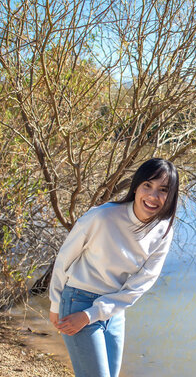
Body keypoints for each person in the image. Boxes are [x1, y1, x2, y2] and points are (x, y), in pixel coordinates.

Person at [49, 158, 179, 377]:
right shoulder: (102, 216)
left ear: (171, 196)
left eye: (163, 189)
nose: (153, 196)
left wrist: (96, 314)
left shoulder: (163, 231)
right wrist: (55, 304)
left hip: (114, 311)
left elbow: (140, 285)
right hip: (78, 302)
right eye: (147, 185)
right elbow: (65, 258)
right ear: (136, 186)